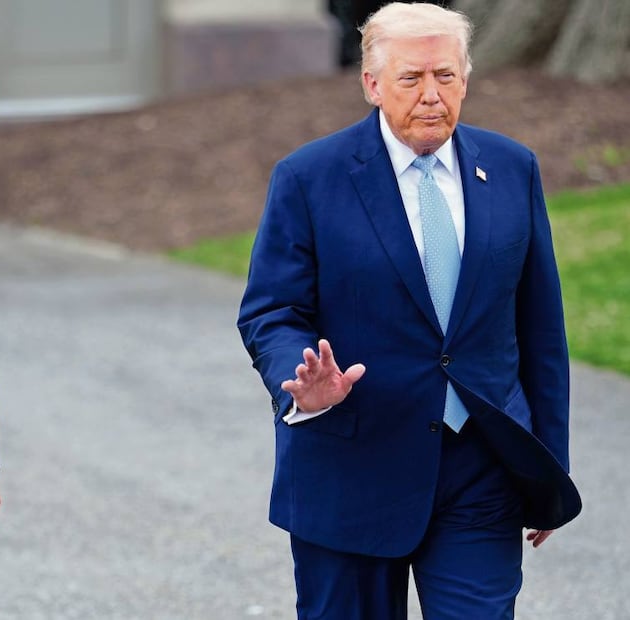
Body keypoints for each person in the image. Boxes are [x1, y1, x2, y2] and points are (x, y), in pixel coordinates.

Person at [237, 3, 581, 618]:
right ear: (373, 84)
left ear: (465, 79)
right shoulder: (309, 178)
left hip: (481, 466)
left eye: (445, 76)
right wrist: (301, 381)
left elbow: (539, 329)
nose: (431, 94)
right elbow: (272, 311)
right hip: (352, 467)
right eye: (411, 78)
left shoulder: (512, 168)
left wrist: (547, 466)